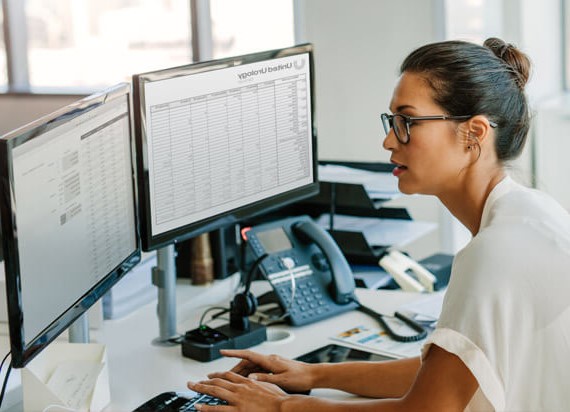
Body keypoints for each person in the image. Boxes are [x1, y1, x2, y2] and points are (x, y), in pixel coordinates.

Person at [187, 38, 570, 411]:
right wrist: (314, 374)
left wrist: (284, 407)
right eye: (391, 121)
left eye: (407, 122)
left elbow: (427, 409)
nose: (389, 141)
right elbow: (446, 375)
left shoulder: (494, 253)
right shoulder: (532, 214)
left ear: (474, 134)